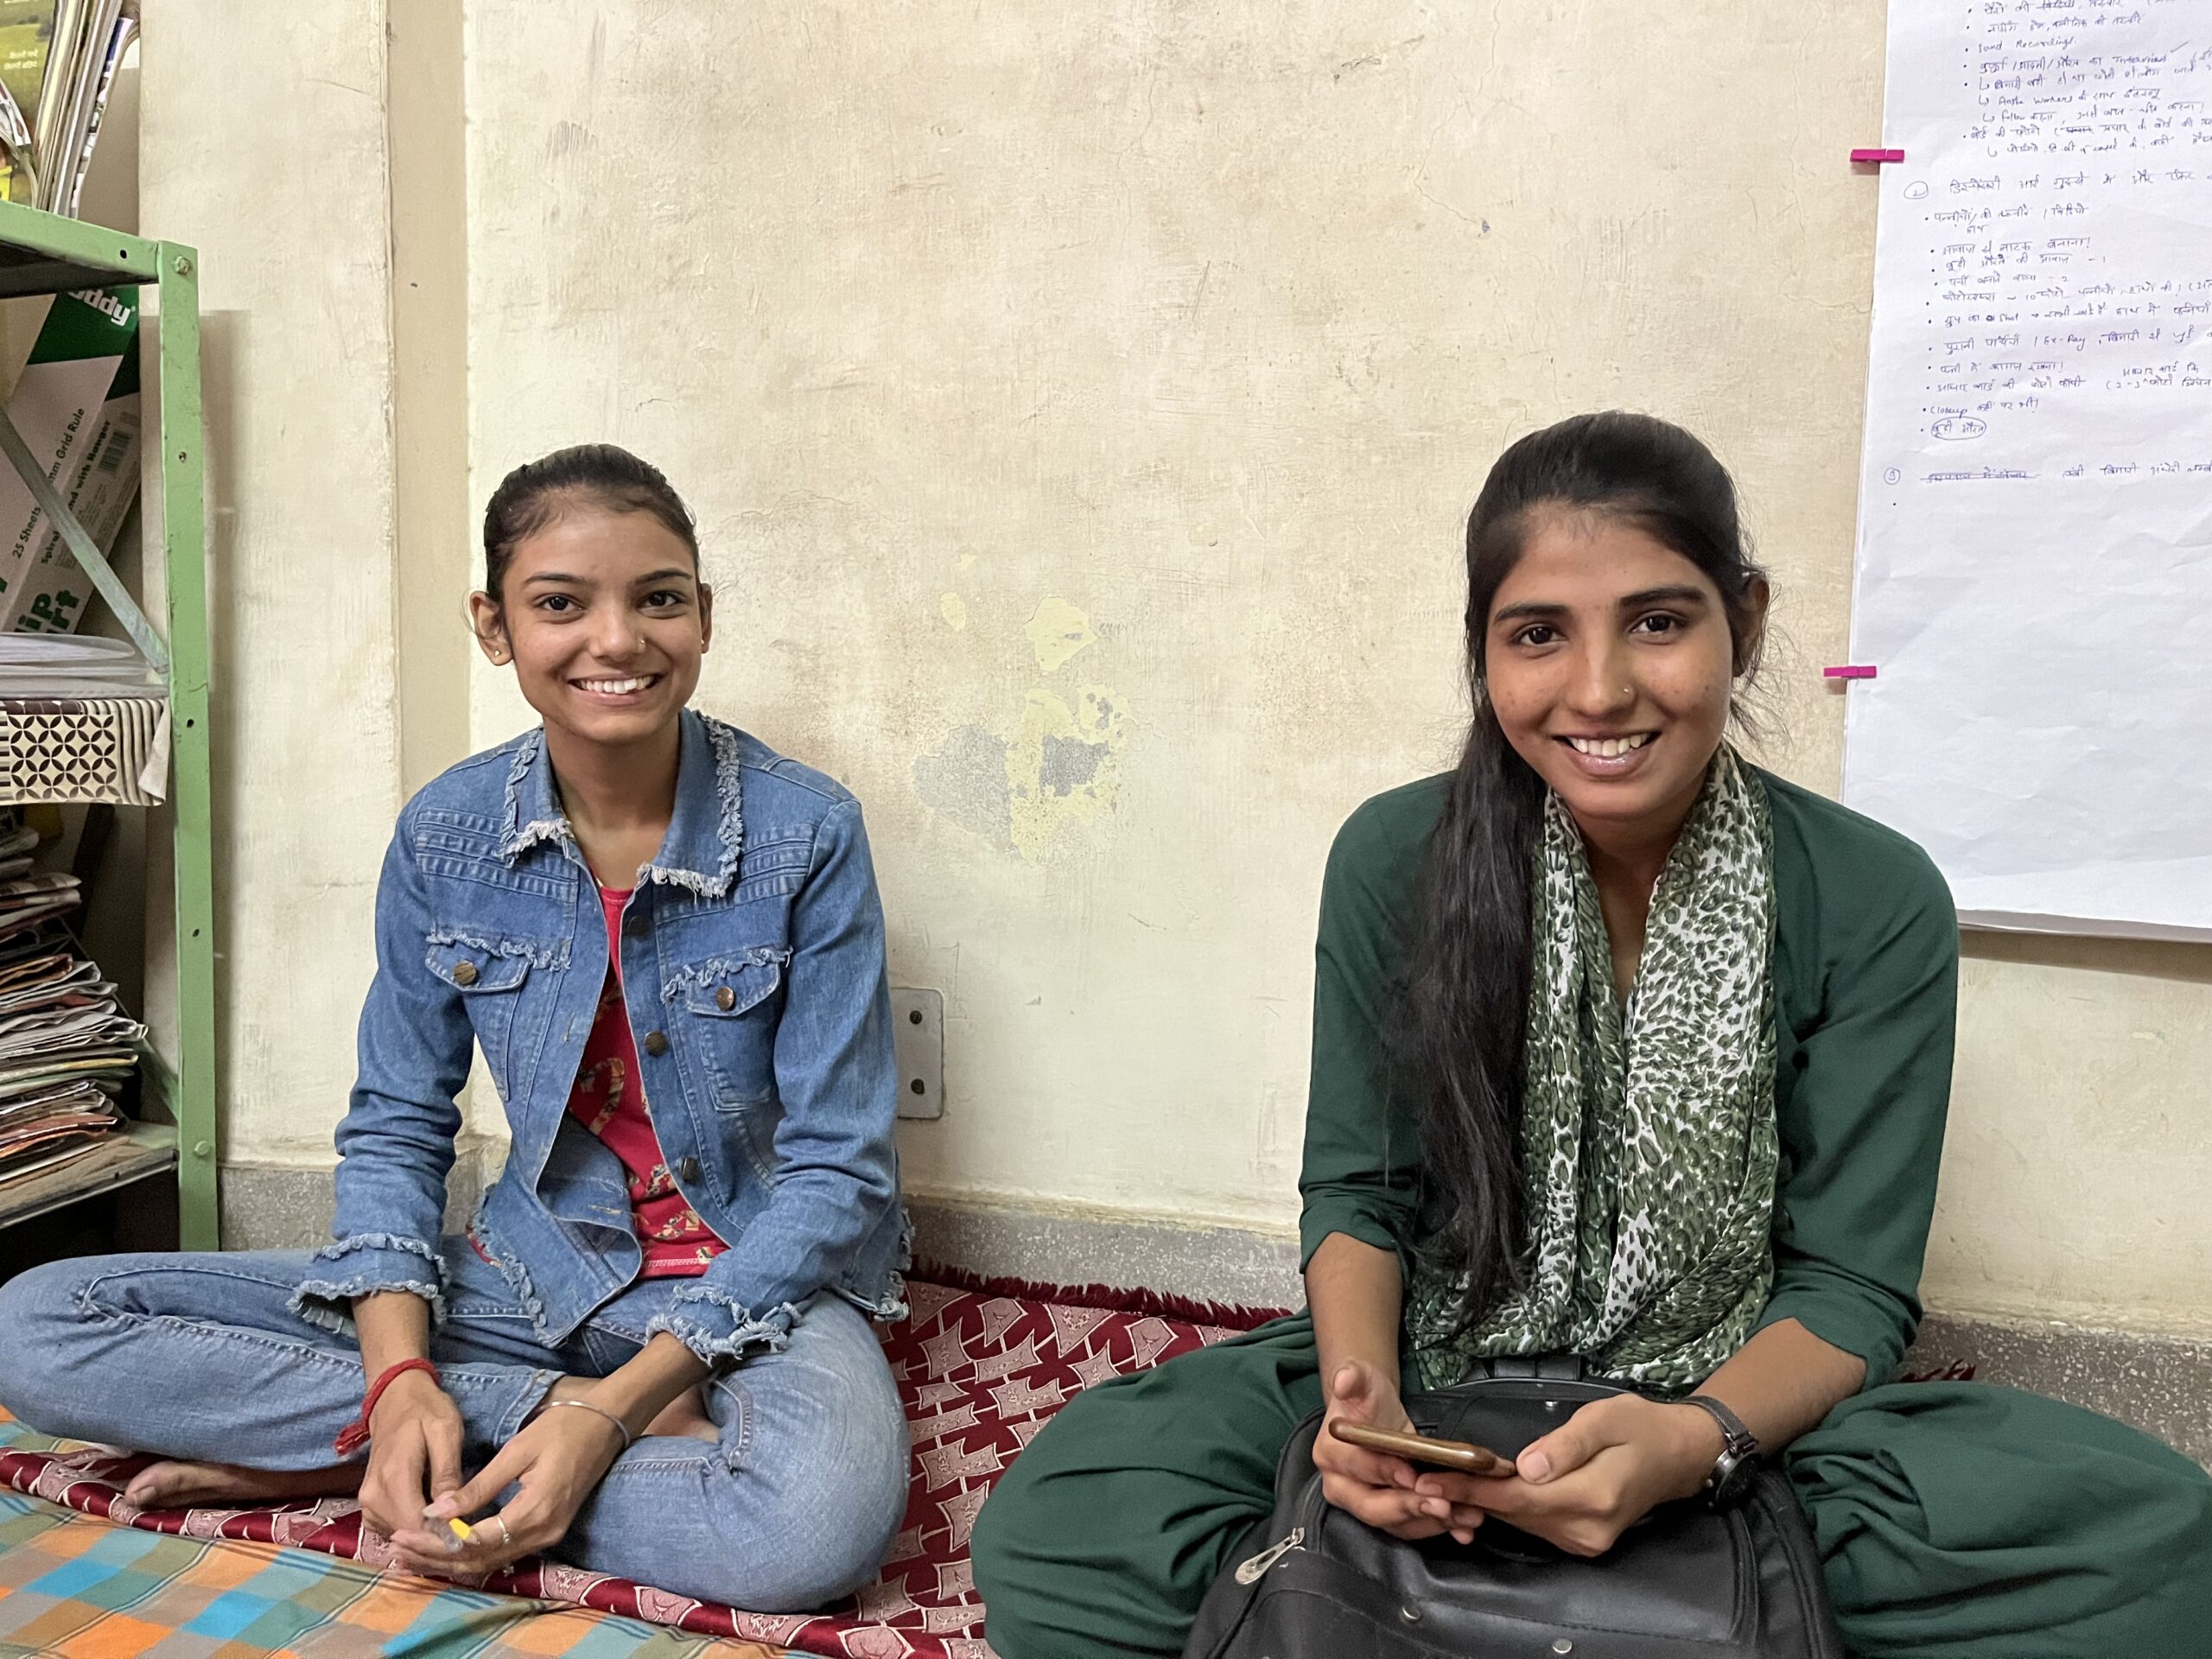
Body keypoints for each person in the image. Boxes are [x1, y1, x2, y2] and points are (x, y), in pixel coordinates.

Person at [969, 411, 2212, 1659]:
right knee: (1063, 1533)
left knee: (2160, 1549)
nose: (1601, 689)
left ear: (1751, 623)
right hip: (1441, 1366)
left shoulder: (1871, 895)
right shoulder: (1395, 859)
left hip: (1731, 1397)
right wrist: (1364, 1416)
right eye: (1538, 635)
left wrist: (1691, 1444)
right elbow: (1362, 1191)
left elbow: (1848, 1287)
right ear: (1484, 654)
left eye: (1660, 622)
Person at [0, 444, 912, 1611]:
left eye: (659, 598)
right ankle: (434, 1439)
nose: (618, 641)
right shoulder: (448, 835)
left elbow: (840, 1176)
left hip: (757, 1289)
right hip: (529, 1271)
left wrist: (615, 1404)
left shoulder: (806, 834)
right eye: (560, 605)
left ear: (704, 615)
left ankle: (421, 1462)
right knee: (38, 1324)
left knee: (810, 1528)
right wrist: (396, 1383)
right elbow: (395, 1130)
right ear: (495, 626)